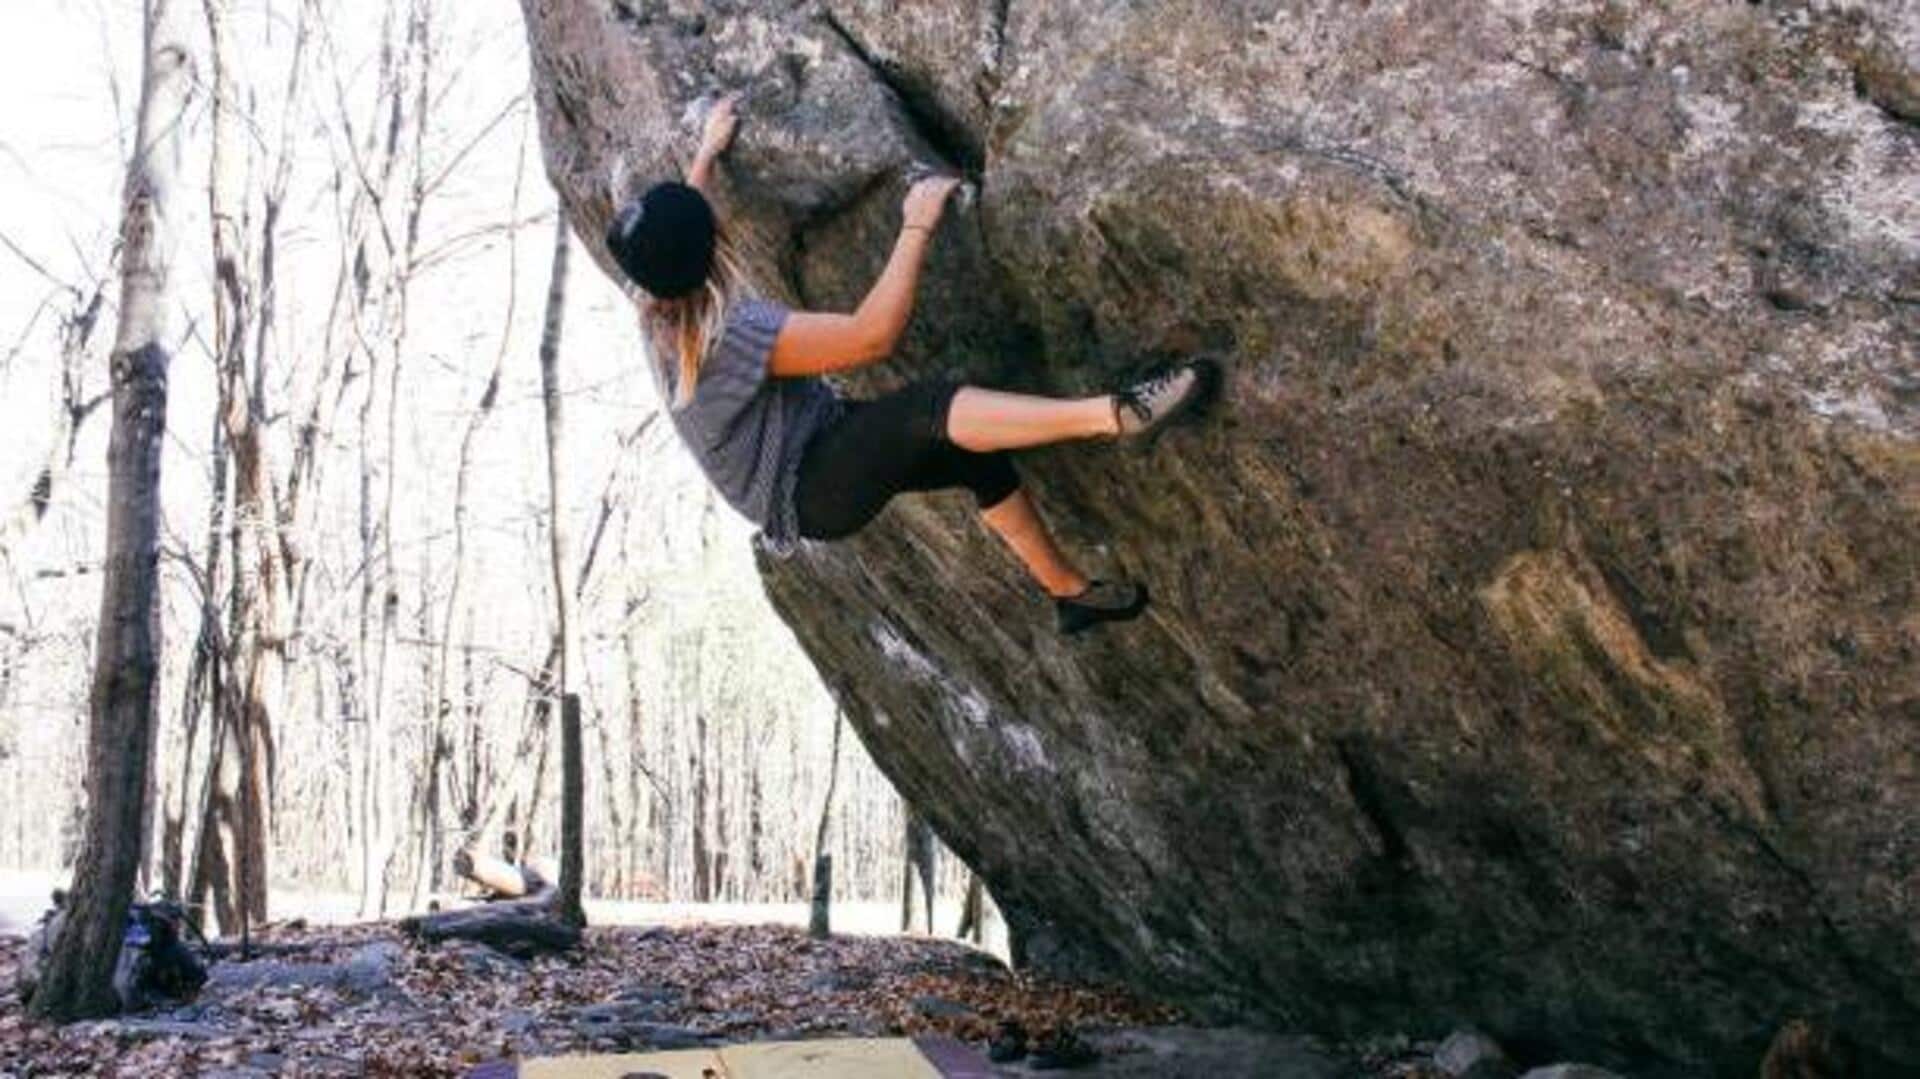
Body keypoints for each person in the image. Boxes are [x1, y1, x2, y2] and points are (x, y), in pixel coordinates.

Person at [606, 96, 1216, 635]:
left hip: (810, 461)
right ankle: (1114, 416)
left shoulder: (655, 298)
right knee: (932, 410)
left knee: (971, 450)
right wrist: (917, 223)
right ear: (708, 251)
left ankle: (1071, 596)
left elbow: (679, 237)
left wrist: (708, 154)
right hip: (811, 487)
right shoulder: (729, 338)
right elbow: (872, 338)